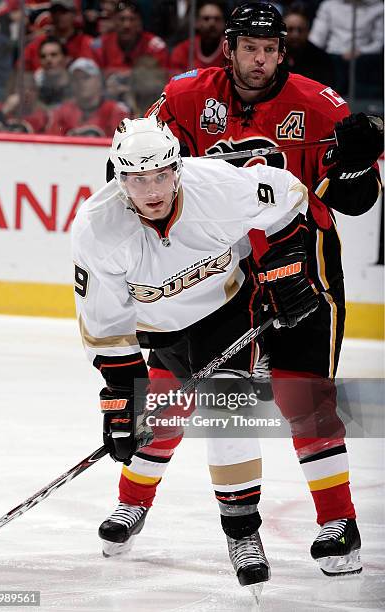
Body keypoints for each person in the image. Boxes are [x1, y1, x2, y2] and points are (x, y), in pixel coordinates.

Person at [104, 2, 383, 578]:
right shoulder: (185, 96)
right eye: (249, 49)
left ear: (283, 51)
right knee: (173, 388)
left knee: (303, 394)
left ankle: (339, 524)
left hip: (303, 263)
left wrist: (355, 163)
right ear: (228, 48)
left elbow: (354, 200)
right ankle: (131, 505)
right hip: (218, 267)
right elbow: (132, 167)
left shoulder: (317, 105)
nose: (259, 61)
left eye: (270, 49)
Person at [72, 114, 318, 587]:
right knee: (154, 420)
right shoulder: (96, 230)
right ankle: (131, 505)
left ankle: (243, 532)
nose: (152, 190)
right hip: (159, 329)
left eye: (162, 174)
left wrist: (287, 266)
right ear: (118, 178)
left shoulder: (217, 187)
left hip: (226, 310)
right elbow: (106, 327)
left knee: (228, 414)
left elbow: (287, 195)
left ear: (178, 168)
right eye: (138, 179)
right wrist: (121, 400)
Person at [309, 0, 384, 97]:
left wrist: (360, 51)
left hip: (363, 60)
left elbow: (379, 43)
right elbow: (317, 39)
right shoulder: (329, 5)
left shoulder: (378, 7)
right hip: (333, 57)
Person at [46, 57, 128, 136]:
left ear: (99, 80)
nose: (80, 83)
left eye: (86, 77)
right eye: (76, 79)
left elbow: (124, 145)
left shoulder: (115, 112)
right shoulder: (61, 113)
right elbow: (51, 144)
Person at [94, 0, 169, 75]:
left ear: (140, 23)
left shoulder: (155, 46)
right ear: (114, 21)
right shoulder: (101, 44)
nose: (126, 25)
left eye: (132, 19)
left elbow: (162, 80)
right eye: (121, 19)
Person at [23, 0, 95, 72]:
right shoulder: (37, 44)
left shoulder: (88, 43)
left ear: (74, 14)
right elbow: (20, 72)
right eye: (55, 12)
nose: (58, 16)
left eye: (63, 12)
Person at [283, 2, 335, 87]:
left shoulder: (322, 58)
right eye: (290, 29)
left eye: (300, 30)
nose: (295, 35)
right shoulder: (272, 55)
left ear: (308, 31)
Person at [170, 0, 227, 74]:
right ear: (196, 22)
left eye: (217, 19)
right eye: (206, 18)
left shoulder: (231, 51)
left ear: (223, 23)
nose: (212, 23)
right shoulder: (182, 50)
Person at [34, 37, 71, 108]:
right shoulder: (36, 90)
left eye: (54, 55)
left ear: (66, 59)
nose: (48, 60)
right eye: (43, 56)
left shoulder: (79, 89)